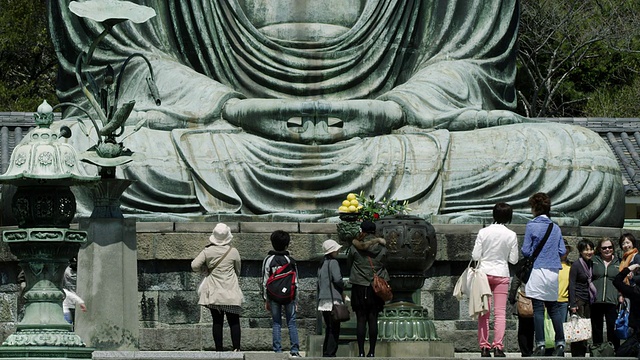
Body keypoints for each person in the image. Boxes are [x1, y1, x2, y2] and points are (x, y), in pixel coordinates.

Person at [48, 0, 624, 226]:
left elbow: (470, 63)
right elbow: (120, 55)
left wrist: (395, 107)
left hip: (397, 134)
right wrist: (229, 105)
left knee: (581, 162)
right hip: (216, 133)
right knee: (65, 161)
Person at [521, 192, 566, 357]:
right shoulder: (555, 227)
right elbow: (562, 250)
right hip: (553, 270)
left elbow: (526, 250)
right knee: (553, 308)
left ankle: (540, 344)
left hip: (538, 269)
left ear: (534, 208)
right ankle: (560, 343)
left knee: (538, 309)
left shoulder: (531, 226)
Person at [471, 203, 519, 357]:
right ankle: (498, 347)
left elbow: (475, 256)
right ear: (509, 217)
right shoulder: (511, 235)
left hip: (484, 273)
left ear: (494, 215)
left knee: (484, 312)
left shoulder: (483, 232)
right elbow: (514, 260)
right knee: (500, 313)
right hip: (501, 273)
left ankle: (484, 347)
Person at [191, 223, 243, 352]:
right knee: (234, 321)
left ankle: (219, 350)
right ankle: (236, 348)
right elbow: (238, 270)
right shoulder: (233, 251)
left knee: (217, 321)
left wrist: (205, 269)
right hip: (230, 290)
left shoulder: (207, 251)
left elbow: (194, 265)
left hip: (214, 291)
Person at [348, 220, 388, 357]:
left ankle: (360, 352)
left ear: (362, 231)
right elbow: (385, 262)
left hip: (359, 285)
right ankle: (372, 352)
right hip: (375, 287)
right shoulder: (382, 248)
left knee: (360, 319)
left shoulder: (354, 247)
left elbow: (349, 262)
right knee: (373, 318)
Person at [262, 230, 301, 357]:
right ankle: (294, 350)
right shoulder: (290, 260)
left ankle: (277, 350)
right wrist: (296, 299)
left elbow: (264, 280)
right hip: (289, 295)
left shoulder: (268, 260)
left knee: (276, 322)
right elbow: (295, 281)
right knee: (292, 322)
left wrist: (265, 299)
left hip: (273, 296)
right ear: (287, 244)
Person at [591, 237, 622, 351]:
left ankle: (614, 351)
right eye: (604, 248)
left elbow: (623, 281)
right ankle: (597, 351)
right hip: (596, 300)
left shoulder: (619, 261)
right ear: (599, 249)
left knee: (612, 328)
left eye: (610, 247)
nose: (607, 250)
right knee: (597, 328)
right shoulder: (593, 260)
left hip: (612, 300)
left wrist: (621, 295)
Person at [317, 239, 345, 358]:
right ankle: (331, 352)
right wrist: (344, 285)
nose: (338, 251)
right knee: (335, 328)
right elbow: (337, 279)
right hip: (333, 298)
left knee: (328, 327)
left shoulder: (321, 264)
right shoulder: (333, 263)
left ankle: (326, 352)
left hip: (323, 299)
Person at [568, 239, 596, 357]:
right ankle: (577, 354)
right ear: (580, 251)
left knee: (585, 329)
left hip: (588, 299)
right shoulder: (576, 265)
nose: (589, 252)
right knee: (578, 329)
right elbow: (572, 284)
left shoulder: (591, 264)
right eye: (586, 249)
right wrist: (573, 304)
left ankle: (583, 353)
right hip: (578, 299)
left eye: (591, 249)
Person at [613, 263, 640, 356]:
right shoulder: (635, 292)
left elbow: (617, 281)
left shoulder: (635, 292)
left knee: (621, 353)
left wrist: (628, 269)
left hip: (637, 332)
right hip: (636, 331)